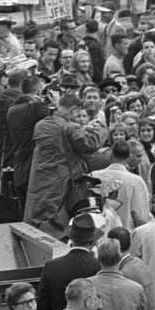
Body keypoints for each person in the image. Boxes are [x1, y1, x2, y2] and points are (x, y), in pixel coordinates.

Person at [23, 92, 110, 237]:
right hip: (59, 185)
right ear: (74, 109)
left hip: (39, 183)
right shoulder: (68, 127)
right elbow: (91, 144)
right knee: (55, 227)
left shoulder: (41, 125)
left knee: (36, 222)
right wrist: (100, 126)